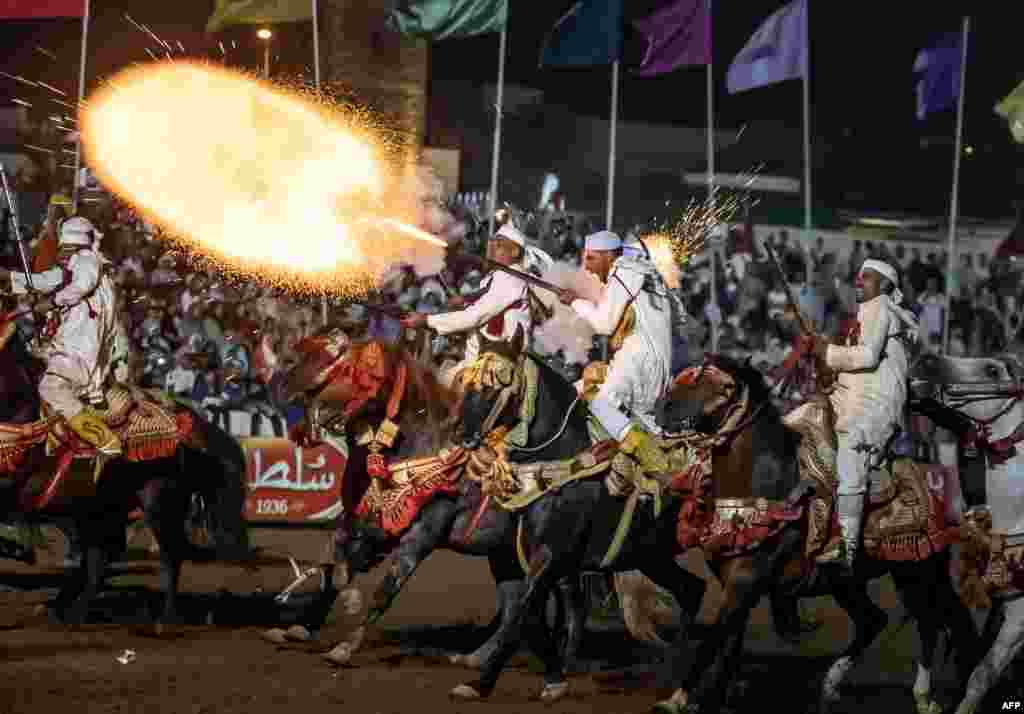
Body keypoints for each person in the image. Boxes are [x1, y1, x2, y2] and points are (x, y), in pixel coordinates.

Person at [806, 258, 920, 574]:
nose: (859, 281)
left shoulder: (880, 306)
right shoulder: (868, 311)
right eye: (858, 277)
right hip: (860, 395)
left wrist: (827, 352)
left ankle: (848, 546)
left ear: (884, 285)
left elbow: (868, 357)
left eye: (866, 278)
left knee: (849, 453)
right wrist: (825, 358)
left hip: (876, 402)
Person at [558, 230, 682, 478]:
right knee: (579, 390)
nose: (587, 266)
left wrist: (575, 303)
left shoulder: (625, 269)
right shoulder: (645, 272)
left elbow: (604, 324)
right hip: (649, 361)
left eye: (592, 259)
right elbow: (679, 316)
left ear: (608, 256)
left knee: (602, 406)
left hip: (640, 359)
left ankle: (654, 462)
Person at [0, 217, 127, 455]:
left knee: (50, 387)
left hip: (81, 347)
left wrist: (51, 302)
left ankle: (105, 441)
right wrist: (10, 277)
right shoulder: (73, 267)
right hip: (68, 344)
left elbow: (82, 285)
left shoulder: (88, 260)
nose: (61, 253)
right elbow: (44, 281)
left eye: (64, 247)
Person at [401, 223, 541, 376]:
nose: (492, 248)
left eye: (499, 245)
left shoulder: (510, 279)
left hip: (494, 363)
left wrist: (427, 320)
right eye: (493, 243)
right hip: (477, 360)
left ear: (514, 252)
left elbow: (474, 317)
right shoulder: (497, 276)